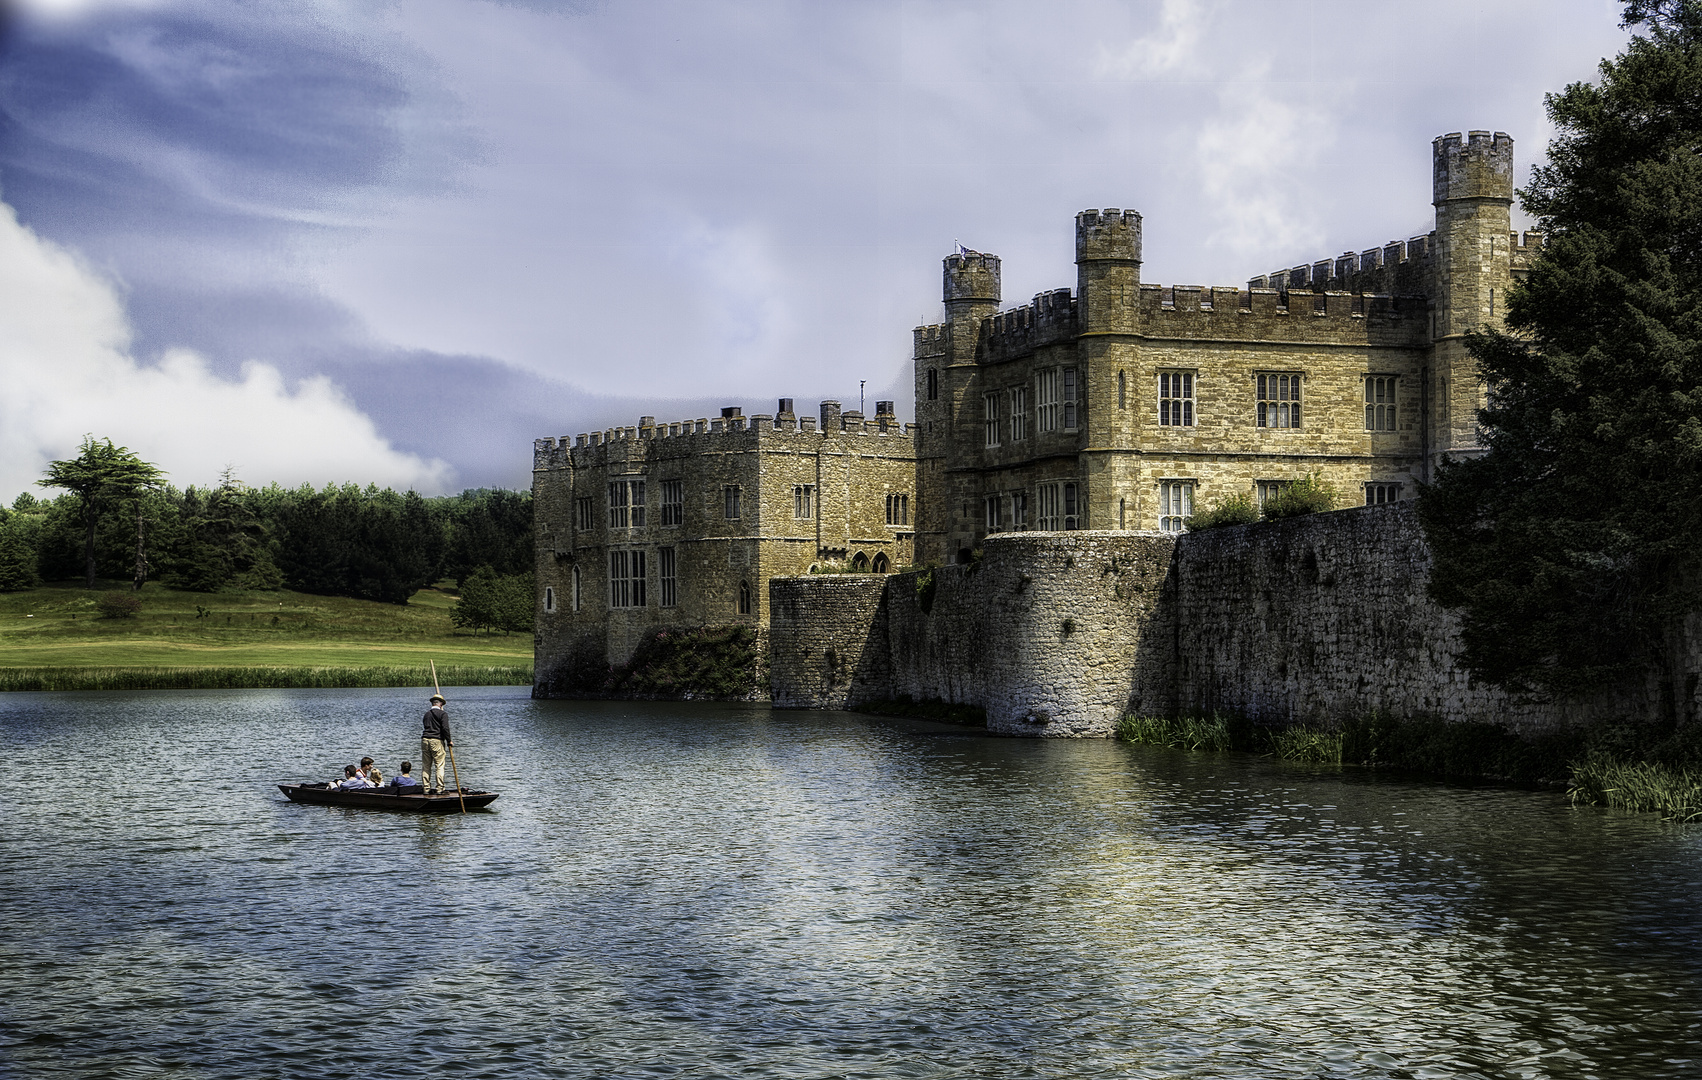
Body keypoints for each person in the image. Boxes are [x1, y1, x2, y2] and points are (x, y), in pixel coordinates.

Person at [421, 694, 453, 794]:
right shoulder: (443, 714)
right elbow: (445, 728)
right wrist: (449, 740)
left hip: (425, 740)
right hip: (436, 740)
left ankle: (426, 788)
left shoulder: (427, 714)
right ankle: (440, 788)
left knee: (426, 765)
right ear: (441, 704)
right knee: (439, 765)